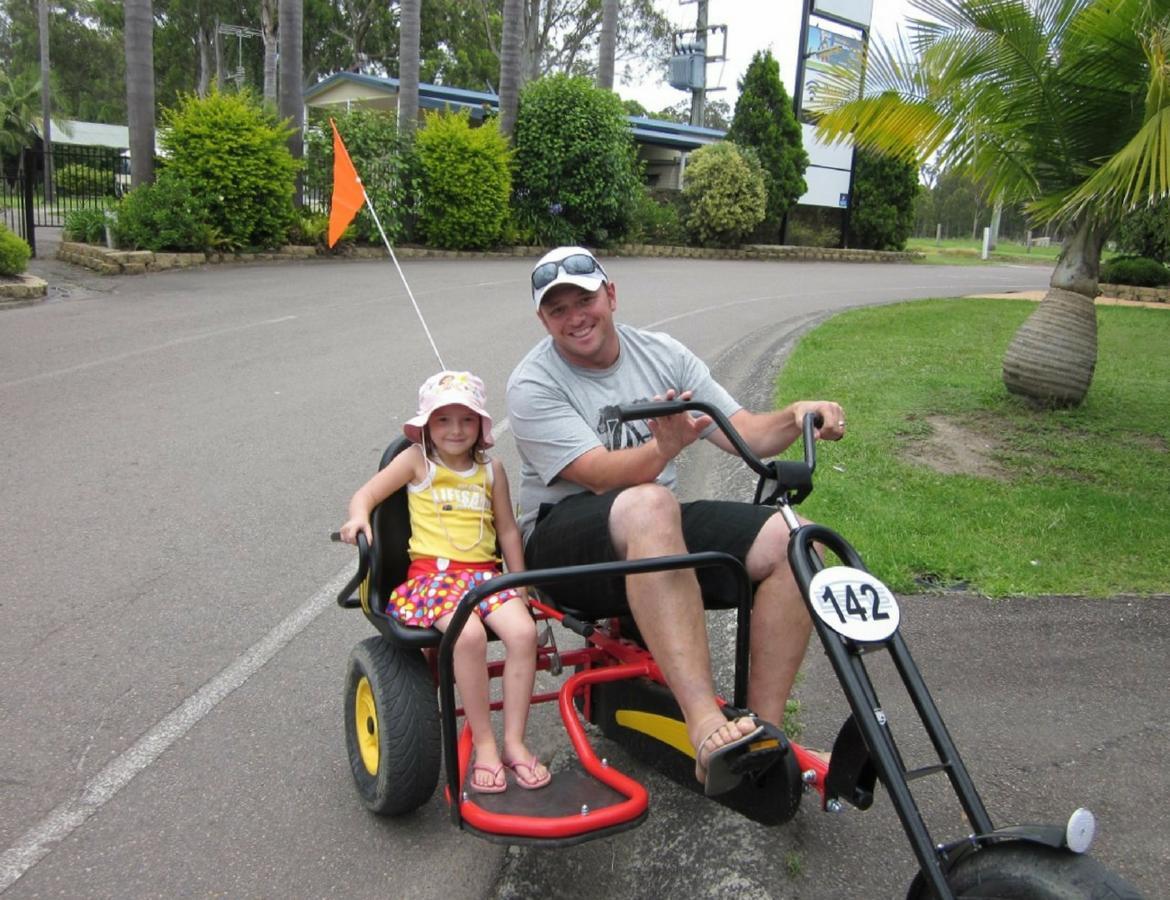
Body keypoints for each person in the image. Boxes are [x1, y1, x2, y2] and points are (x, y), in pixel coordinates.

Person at [506, 246, 846, 795]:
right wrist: (662, 451)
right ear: (543, 320)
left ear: (610, 295)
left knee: (791, 538)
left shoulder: (661, 353)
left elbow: (745, 432)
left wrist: (796, 414)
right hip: (561, 539)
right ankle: (705, 727)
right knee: (651, 500)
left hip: (649, 526)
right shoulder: (533, 383)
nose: (575, 317)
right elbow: (598, 475)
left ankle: (762, 737)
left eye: (585, 299)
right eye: (557, 309)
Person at [339, 370, 551, 794]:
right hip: (434, 580)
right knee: (467, 637)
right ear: (426, 427)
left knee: (525, 633)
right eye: (443, 420)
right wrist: (359, 517)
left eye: (466, 420)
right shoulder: (417, 462)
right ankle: (485, 745)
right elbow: (367, 495)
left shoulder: (492, 470)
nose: (455, 430)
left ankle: (513, 741)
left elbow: (507, 530)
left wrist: (521, 585)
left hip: (484, 577)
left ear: (480, 427)